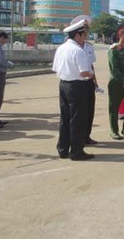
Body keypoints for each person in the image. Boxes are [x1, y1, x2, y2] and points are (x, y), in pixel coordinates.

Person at [52, 20, 95, 160]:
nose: (85, 37)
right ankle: (77, 151)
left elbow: (55, 68)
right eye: (84, 34)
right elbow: (84, 73)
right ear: (77, 35)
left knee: (65, 118)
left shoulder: (61, 48)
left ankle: (63, 149)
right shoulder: (78, 50)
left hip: (63, 84)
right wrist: (91, 75)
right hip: (77, 86)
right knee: (78, 120)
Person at [70, 15, 99, 145]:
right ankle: (78, 138)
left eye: (87, 30)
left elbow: (91, 65)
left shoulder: (88, 46)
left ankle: (86, 136)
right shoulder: (71, 47)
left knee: (89, 110)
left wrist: (95, 81)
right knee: (78, 113)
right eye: (84, 31)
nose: (86, 33)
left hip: (88, 82)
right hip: (77, 83)